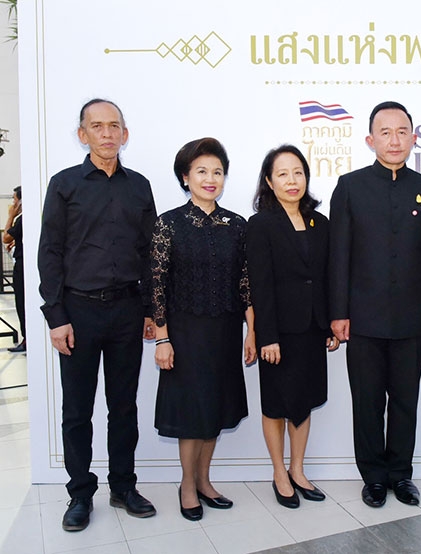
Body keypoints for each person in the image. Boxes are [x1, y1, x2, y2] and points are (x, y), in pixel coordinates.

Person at [38, 99, 157, 531]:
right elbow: (49, 252)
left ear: (125, 134)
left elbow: (149, 255)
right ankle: (80, 494)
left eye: (114, 126)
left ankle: (124, 487)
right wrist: (56, 315)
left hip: (128, 310)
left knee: (123, 406)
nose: (107, 134)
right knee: (77, 410)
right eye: (97, 126)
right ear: (82, 134)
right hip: (78, 311)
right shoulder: (65, 184)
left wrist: (150, 310)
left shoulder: (140, 186)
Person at [329, 101, 421, 508]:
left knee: (405, 401)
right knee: (367, 401)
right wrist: (338, 312)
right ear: (370, 139)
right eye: (385, 132)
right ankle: (373, 477)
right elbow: (338, 255)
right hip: (361, 318)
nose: (394, 140)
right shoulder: (349, 187)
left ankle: (401, 474)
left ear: (414, 138)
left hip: (413, 318)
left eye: (402, 132)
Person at [150, 137, 256, 521]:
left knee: (215, 410)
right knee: (192, 413)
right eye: (202, 171)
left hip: (225, 331)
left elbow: (246, 284)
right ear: (185, 177)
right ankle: (187, 484)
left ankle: (206, 480)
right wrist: (162, 338)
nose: (210, 179)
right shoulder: (169, 224)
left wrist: (252, 331)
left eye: (217, 172)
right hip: (184, 334)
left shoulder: (237, 225)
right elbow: (156, 286)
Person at [246, 144, 339, 509]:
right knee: (277, 405)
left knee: (304, 402)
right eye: (282, 173)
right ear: (269, 181)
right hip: (279, 333)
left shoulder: (320, 222)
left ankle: (299, 470)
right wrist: (266, 335)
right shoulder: (261, 224)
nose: (291, 180)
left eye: (297, 172)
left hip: (313, 329)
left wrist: (331, 324)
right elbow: (260, 284)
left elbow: (328, 277)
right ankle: (279, 473)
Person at [4, 186, 24, 352]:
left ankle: (26, 339)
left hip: (22, 268)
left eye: (14, 199)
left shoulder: (21, 219)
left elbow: (5, 237)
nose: (13, 203)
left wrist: (11, 215)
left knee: (21, 303)